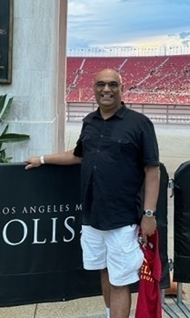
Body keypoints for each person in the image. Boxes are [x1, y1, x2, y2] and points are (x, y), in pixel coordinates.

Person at [25, 68, 161, 318]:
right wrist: (42, 159)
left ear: (122, 88)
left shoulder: (140, 124)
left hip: (123, 218)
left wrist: (149, 214)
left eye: (112, 84)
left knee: (120, 280)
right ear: (94, 89)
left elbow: (152, 170)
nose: (106, 89)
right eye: (101, 84)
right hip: (92, 216)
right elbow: (78, 155)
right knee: (105, 271)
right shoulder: (89, 121)